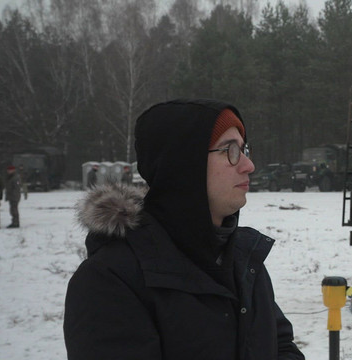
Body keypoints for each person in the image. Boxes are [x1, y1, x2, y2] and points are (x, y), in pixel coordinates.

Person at [64, 99, 305, 360]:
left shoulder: (244, 262)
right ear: (183, 165)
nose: (248, 165)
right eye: (230, 150)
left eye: (244, 149)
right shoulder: (110, 280)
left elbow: (281, 347)